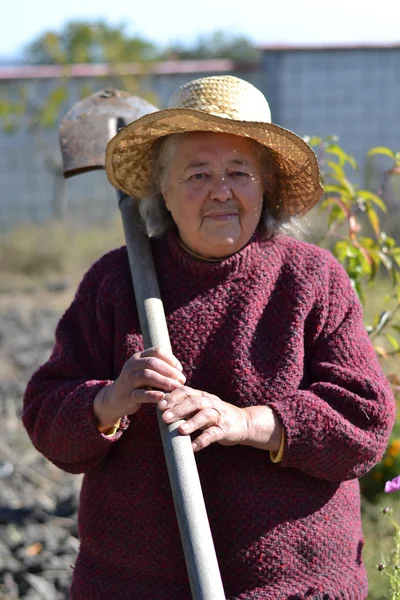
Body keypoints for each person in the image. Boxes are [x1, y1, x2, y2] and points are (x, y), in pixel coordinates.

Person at [23, 75, 395, 599]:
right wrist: (108, 400)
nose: (221, 190)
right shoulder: (114, 284)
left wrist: (246, 422)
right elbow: (45, 412)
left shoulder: (311, 279)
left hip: (296, 583)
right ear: (164, 192)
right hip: (132, 585)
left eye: (239, 171)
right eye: (197, 173)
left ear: (264, 186)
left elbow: (364, 419)